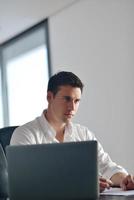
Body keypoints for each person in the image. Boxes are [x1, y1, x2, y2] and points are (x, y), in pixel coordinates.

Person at [10, 71, 134, 192]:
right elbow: (25, 184)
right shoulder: (24, 135)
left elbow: (107, 167)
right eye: (67, 99)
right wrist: (83, 186)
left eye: (76, 101)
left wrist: (125, 179)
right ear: (49, 97)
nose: (72, 107)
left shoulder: (83, 134)